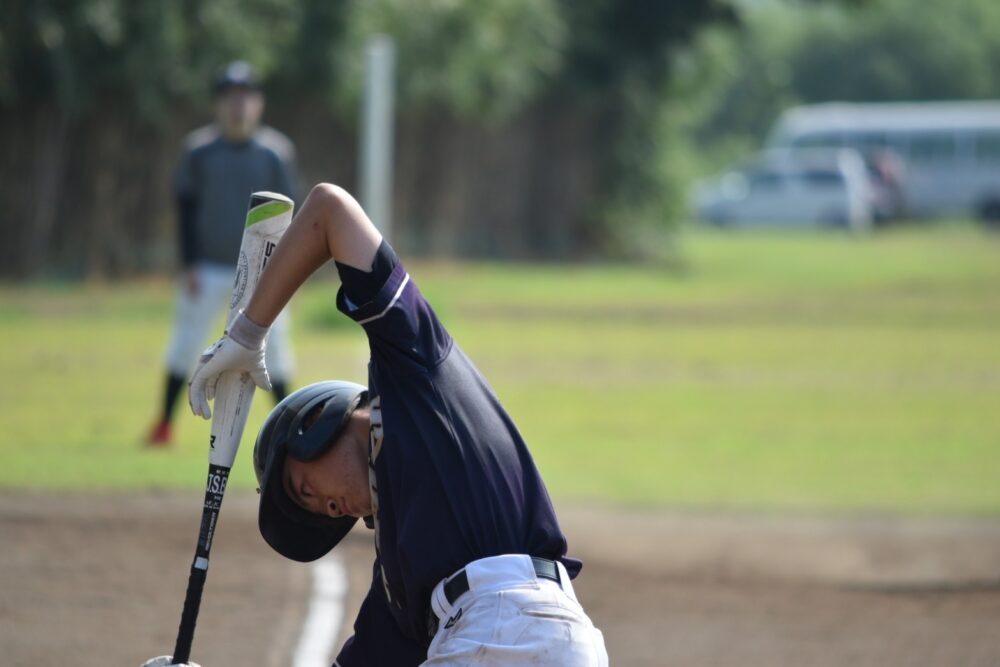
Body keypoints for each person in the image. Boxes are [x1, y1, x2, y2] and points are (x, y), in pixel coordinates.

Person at [187, 183, 609, 665]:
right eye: (325, 514)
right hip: (530, 641)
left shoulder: (414, 380)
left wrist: (249, 331)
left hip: (507, 631)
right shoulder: (401, 580)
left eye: (305, 489)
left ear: (320, 423)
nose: (329, 506)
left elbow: (329, 210)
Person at [147, 61, 298, 446]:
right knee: (186, 343)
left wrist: (284, 271)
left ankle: (292, 429)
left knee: (275, 350)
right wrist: (188, 263)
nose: (238, 106)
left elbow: (290, 217)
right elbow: (184, 208)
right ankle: (164, 425)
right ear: (218, 104)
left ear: (259, 103)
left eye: (246, 97)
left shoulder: (275, 153)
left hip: (262, 272)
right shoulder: (199, 151)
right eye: (231, 97)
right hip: (208, 268)